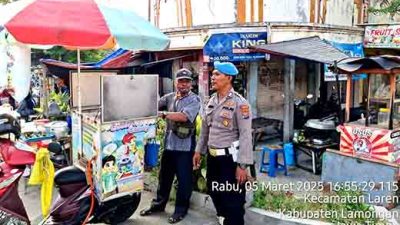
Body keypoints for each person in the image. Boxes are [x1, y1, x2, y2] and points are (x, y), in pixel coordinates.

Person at [193, 61, 253, 225]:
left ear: (229, 78)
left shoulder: (241, 104)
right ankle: (224, 218)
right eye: (212, 74)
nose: (212, 77)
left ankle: (232, 220)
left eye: (217, 74)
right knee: (214, 190)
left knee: (233, 200)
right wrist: (199, 151)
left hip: (230, 161)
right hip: (213, 159)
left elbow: (246, 135)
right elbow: (205, 129)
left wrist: (242, 166)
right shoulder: (211, 101)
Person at [140, 68, 201, 224]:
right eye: (181, 81)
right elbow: (152, 105)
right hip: (169, 146)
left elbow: (183, 116)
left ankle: (180, 211)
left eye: (187, 81)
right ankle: (158, 205)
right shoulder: (169, 97)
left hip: (185, 148)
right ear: (176, 82)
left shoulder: (195, 100)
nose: (184, 84)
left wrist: (163, 114)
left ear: (191, 84)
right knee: (164, 178)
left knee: (184, 181)